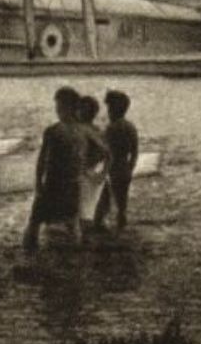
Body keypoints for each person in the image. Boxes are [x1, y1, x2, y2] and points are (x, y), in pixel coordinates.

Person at [24, 87, 89, 252]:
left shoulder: (53, 131)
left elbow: (42, 160)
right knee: (72, 223)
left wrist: (38, 182)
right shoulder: (83, 130)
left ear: (65, 107)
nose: (57, 109)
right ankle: (77, 257)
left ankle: (30, 255)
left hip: (53, 184)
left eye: (58, 106)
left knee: (34, 222)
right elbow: (104, 152)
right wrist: (86, 170)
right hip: (73, 183)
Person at [93, 89, 141, 231]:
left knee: (105, 195)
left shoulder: (111, 128)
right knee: (122, 198)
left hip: (111, 166)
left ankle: (100, 220)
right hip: (124, 166)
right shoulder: (130, 127)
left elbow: (103, 150)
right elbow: (135, 150)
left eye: (109, 108)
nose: (108, 112)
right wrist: (131, 166)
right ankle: (121, 220)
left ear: (113, 109)